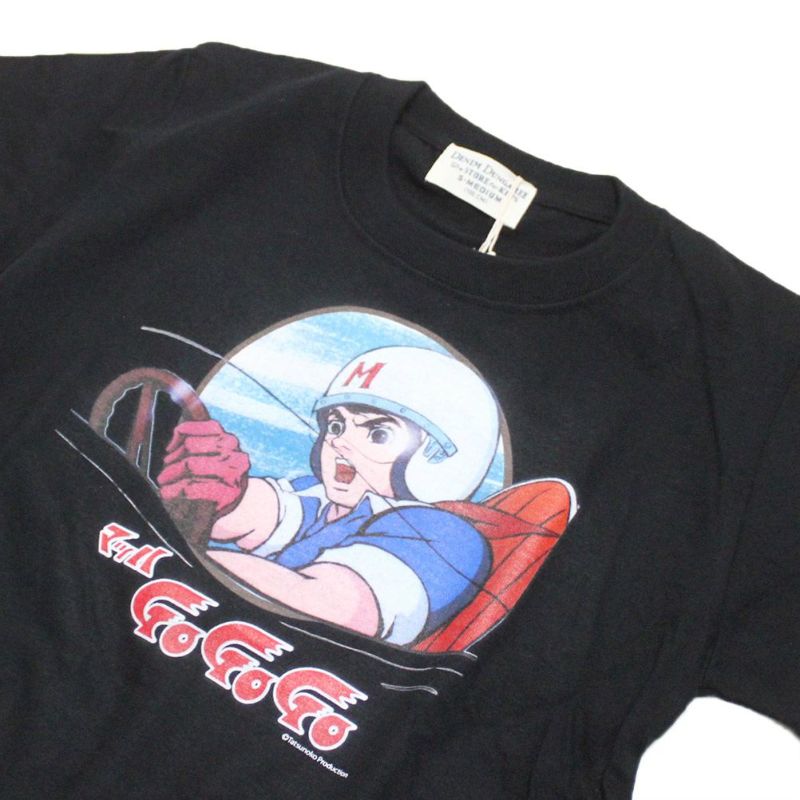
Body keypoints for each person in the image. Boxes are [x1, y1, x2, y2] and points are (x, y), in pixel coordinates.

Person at [157, 345, 502, 648]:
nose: (337, 441)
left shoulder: (445, 536)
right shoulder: (323, 499)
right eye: (336, 425)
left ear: (438, 458)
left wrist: (178, 556)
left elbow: (332, 605)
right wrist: (210, 488)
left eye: (378, 433)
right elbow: (253, 514)